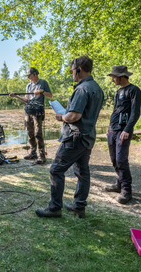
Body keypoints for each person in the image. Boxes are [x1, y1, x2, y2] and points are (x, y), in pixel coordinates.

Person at [35, 56, 104, 219]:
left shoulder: (81, 89)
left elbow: (74, 116)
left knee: (56, 169)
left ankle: (54, 208)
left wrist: (61, 117)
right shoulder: (97, 88)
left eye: (72, 70)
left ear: (79, 69)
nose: (71, 73)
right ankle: (79, 207)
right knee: (82, 171)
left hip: (75, 137)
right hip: (88, 137)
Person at [104, 65, 141, 204]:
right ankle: (119, 183)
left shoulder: (134, 90)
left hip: (123, 131)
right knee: (114, 159)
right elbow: (115, 110)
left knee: (121, 160)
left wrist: (127, 129)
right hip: (112, 130)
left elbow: (135, 113)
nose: (112, 79)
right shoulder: (118, 92)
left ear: (121, 76)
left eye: (114, 77)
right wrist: (109, 126)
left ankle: (126, 191)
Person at [9, 67, 52, 164]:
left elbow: (50, 95)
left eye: (29, 75)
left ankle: (42, 154)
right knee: (29, 132)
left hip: (38, 112)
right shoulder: (28, 85)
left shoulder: (43, 83)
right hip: (28, 110)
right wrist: (15, 96)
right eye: (27, 76)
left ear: (35, 74)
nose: (28, 77)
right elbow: (26, 99)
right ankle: (33, 152)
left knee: (38, 133)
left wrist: (42, 92)